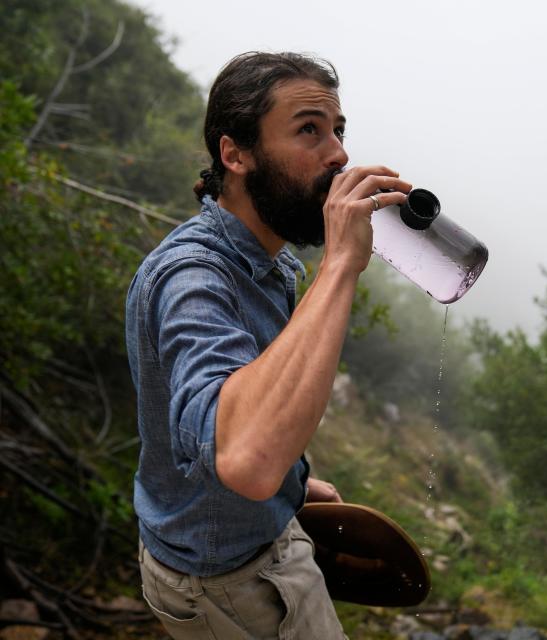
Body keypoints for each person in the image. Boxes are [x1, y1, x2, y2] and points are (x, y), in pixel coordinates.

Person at [125, 51, 411, 638]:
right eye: (309, 129)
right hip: (228, 583)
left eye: (338, 131)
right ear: (235, 154)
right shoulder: (192, 278)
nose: (338, 154)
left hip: (258, 542)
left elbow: (239, 407)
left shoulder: (273, 266)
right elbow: (249, 462)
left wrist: (294, 481)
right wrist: (340, 266)